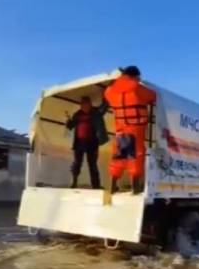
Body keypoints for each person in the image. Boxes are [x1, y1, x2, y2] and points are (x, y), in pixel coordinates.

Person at [104, 66, 157, 194]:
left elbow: (107, 94)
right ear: (135, 76)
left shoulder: (110, 91)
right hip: (135, 128)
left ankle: (112, 185)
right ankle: (135, 187)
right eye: (139, 77)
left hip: (121, 129)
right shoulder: (137, 88)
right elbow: (153, 96)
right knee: (136, 156)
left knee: (119, 156)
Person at [65, 96, 108, 189]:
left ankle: (96, 185)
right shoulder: (77, 114)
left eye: (85, 104)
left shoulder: (96, 112)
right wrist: (68, 122)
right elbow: (71, 126)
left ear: (90, 104)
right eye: (82, 104)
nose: (83, 106)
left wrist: (105, 95)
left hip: (92, 143)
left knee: (92, 164)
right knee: (77, 163)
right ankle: (74, 182)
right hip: (79, 143)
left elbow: (104, 107)